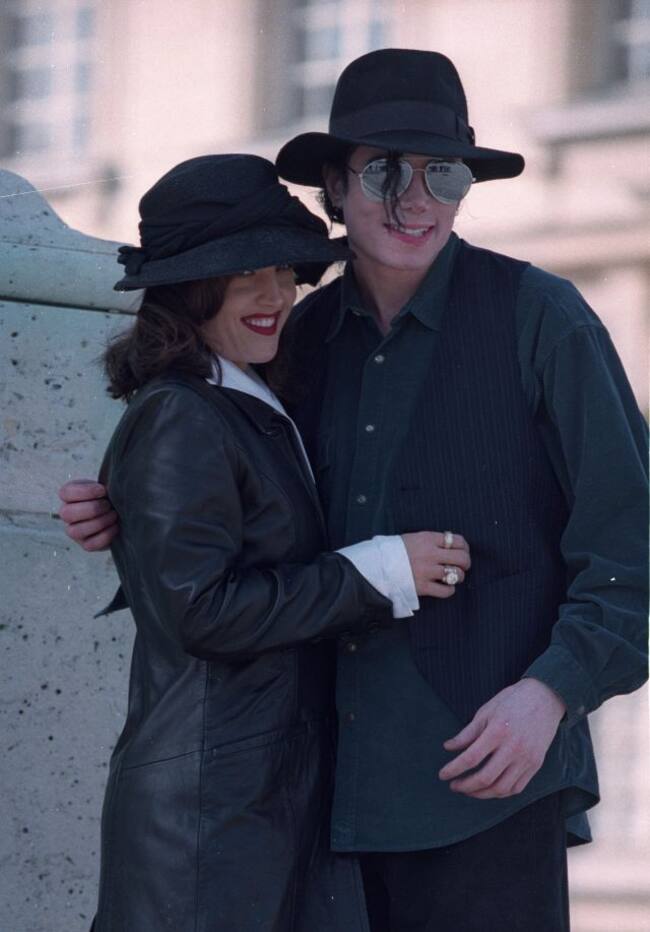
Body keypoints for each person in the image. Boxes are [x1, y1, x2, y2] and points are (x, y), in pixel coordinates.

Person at [60, 51, 648, 932]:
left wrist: (551, 694)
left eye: (441, 174)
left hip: (483, 788)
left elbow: (631, 543)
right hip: (313, 806)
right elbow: (231, 470)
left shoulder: (545, 318)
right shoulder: (297, 336)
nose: (414, 201)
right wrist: (127, 502)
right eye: (382, 172)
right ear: (333, 185)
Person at [74, 152, 471, 932]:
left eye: (284, 269)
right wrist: (379, 572)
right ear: (190, 289)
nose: (276, 291)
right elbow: (200, 611)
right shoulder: (184, 413)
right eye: (244, 272)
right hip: (204, 820)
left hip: (255, 802)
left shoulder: (245, 401)